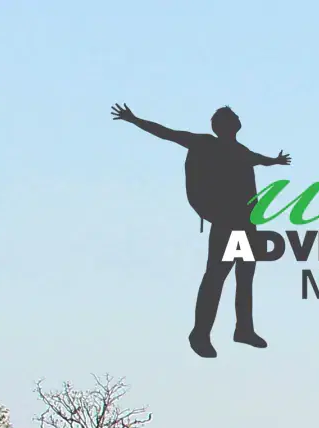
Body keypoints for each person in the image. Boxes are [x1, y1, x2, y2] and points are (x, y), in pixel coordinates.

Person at [111, 102, 290, 357]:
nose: (238, 120)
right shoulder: (205, 144)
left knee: (244, 275)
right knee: (216, 277)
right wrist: (134, 119)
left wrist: (274, 160)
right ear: (225, 125)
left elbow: (257, 160)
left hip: (246, 223)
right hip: (227, 223)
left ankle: (244, 329)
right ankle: (201, 333)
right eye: (234, 118)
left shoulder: (239, 150)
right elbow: (166, 133)